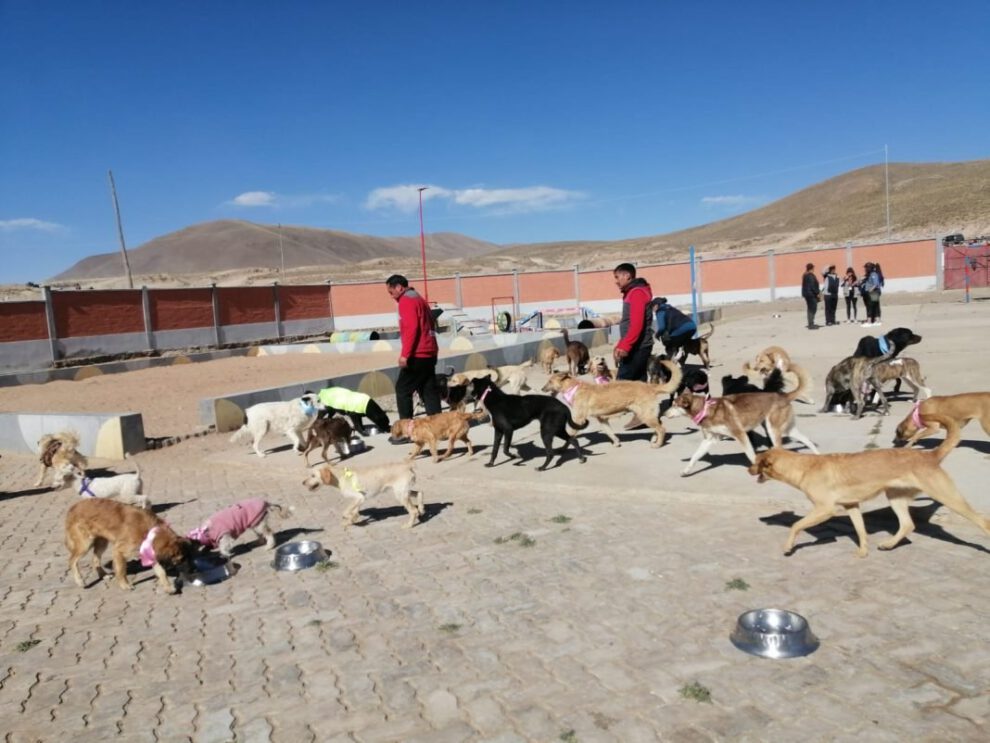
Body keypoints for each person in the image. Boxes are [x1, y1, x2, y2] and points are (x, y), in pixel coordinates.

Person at [385, 274, 441, 422]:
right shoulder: (419, 299)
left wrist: (405, 355)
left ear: (399, 287)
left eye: (391, 292)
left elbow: (412, 328)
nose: (391, 296)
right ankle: (438, 426)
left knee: (403, 389)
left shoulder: (406, 301)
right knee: (428, 389)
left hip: (417, 354)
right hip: (430, 352)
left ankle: (406, 429)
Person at [611, 262, 654, 381]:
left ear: (627, 276)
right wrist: (621, 344)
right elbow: (629, 323)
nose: (616, 281)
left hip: (637, 348)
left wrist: (625, 346)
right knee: (639, 386)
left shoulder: (637, 293)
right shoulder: (633, 292)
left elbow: (636, 324)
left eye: (617, 277)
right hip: (637, 346)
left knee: (623, 386)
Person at [316, 385, 391, 434]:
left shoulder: (365, 400)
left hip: (337, 395)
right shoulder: (362, 404)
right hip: (329, 397)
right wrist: (360, 430)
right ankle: (319, 433)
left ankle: (328, 428)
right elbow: (353, 414)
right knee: (320, 419)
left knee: (357, 411)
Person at [651, 297, 697, 362]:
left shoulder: (660, 311)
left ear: (656, 305)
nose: (652, 310)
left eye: (652, 307)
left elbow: (662, 328)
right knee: (680, 343)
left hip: (681, 330)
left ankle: (673, 360)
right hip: (692, 326)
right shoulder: (670, 308)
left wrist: (657, 335)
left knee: (668, 344)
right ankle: (682, 355)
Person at [861, 262, 884, 327]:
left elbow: (876, 283)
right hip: (873, 292)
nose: (865, 269)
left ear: (869, 268)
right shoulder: (870, 274)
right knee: (875, 306)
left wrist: (871, 289)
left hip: (874, 292)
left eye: (866, 268)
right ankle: (877, 320)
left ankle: (869, 321)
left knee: (871, 306)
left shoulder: (873, 274)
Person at [801, 262, 820, 329]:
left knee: (810, 308)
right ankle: (811, 324)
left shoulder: (805, 275)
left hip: (807, 294)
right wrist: (817, 293)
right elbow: (812, 286)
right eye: (813, 268)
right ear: (811, 268)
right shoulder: (810, 275)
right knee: (813, 308)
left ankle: (810, 323)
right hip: (811, 294)